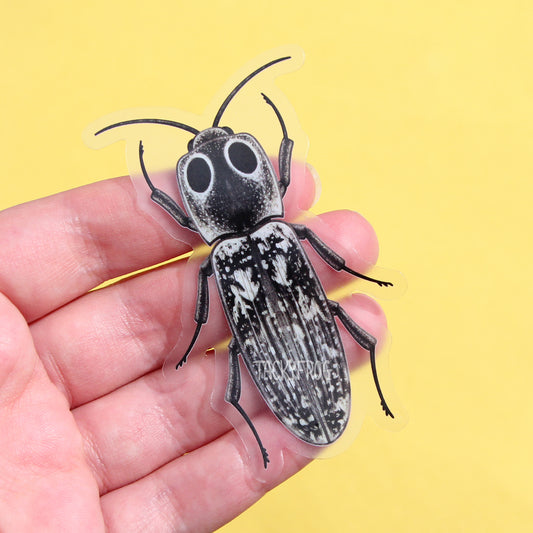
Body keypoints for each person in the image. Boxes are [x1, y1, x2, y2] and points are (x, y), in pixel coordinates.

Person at [0, 165, 386, 531]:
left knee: (243, 351)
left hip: (285, 373)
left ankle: (277, 428)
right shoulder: (280, 237)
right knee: (333, 322)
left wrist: (153, 187)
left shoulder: (222, 259)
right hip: (309, 366)